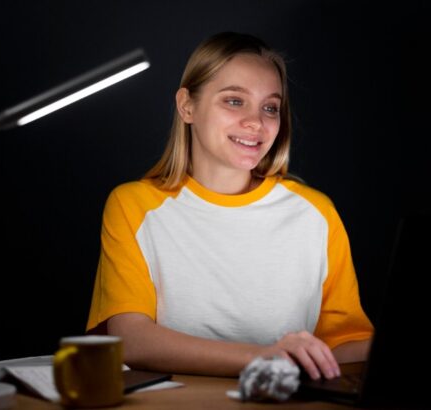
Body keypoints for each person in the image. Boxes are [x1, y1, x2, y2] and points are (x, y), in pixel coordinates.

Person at [86, 32, 373, 381]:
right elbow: (131, 339)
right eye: (235, 101)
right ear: (186, 106)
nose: (256, 122)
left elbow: (340, 346)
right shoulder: (133, 205)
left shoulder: (316, 213)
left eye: (270, 107)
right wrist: (263, 356)